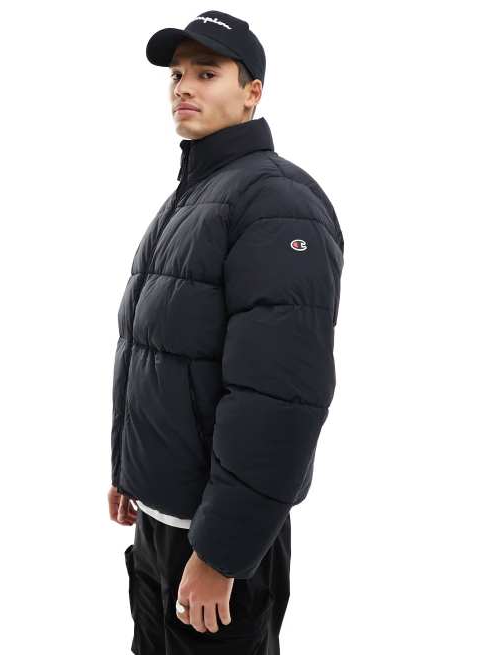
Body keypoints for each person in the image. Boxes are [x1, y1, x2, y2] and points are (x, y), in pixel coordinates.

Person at [107, 10, 344, 654]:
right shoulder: (190, 198)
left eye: (207, 73)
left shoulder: (278, 202)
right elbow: (153, 354)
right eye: (177, 75)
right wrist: (131, 469)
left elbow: (280, 397)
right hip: (160, 524)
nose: (184, 86)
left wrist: (223, 552)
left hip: (215, 543)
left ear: (252, 92)